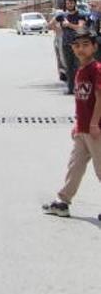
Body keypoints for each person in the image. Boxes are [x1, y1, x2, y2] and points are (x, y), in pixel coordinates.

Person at [43, 29, 101, 218]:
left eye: (85, 45)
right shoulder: (80, 70)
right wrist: (78, 124)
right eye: (76, 46)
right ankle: (63, 202)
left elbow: (100, 97)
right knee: (75, 166)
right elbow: (80, 101)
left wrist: (94, 124)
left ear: (94, 47)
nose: (80, 49)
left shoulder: (96, 69)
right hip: (82, 130)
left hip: (95, 130)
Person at [49, 0, 88, 94]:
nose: (69, 5)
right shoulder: (62, 15)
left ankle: (80, 88)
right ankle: (71, 89)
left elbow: (80, 28)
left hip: (78, 45)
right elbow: (50, 24)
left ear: (75, 3)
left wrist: (68, 25)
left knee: (78, 66)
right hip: (66, 44)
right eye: (67, 3)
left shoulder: (80, 15)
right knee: (69, 67)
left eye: (71, 3)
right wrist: (57, 30)